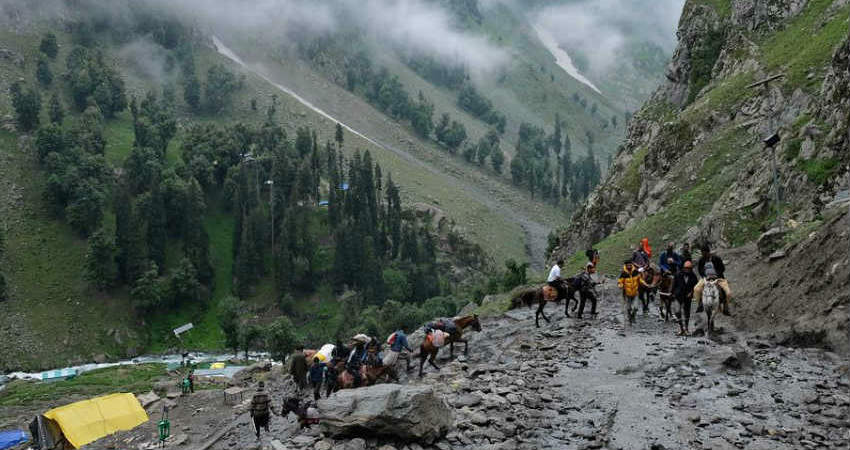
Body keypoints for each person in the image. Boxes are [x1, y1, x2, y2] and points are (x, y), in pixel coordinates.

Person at [694, 244, 731, 315]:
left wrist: (716, 275)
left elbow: (722, 268)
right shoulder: (701, 260)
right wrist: (705, 276)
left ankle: (726, 306)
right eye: (702, 253)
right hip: (706, 278)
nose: (703, 255)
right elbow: (700, 270)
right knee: (696, 289)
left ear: (708, 252)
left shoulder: (716, 258)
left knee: (728, 292)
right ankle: (700, 304)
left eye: (705, 253)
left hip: (718, 278)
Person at [673, 260, 699, 335]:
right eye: (686, 268)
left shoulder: (693, 276)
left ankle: (686, 329)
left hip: (688, 297)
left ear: (691, 269)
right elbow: (674, 285)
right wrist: (672, 293)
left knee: (687, 312)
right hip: (678, 295)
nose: (687, 270)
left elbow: (695, 287)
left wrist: (691, 293)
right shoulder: (678, 274)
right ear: (683, 268)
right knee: (677, 312)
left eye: (689, 268)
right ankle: (681, 328)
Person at [618, 260, 641, 327]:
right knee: (628, 308)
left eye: (630, 265)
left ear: (632, 265)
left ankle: (633, 316)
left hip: (635, 293)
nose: (629, 266)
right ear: (626, 266)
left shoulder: (636, 272)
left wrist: (646, 284)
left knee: (636, 307)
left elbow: (640, 279)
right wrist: (620, 285)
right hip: (627, 294)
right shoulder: (623, 273)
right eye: (628, 265)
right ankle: (629, 318)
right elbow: (620, 281)